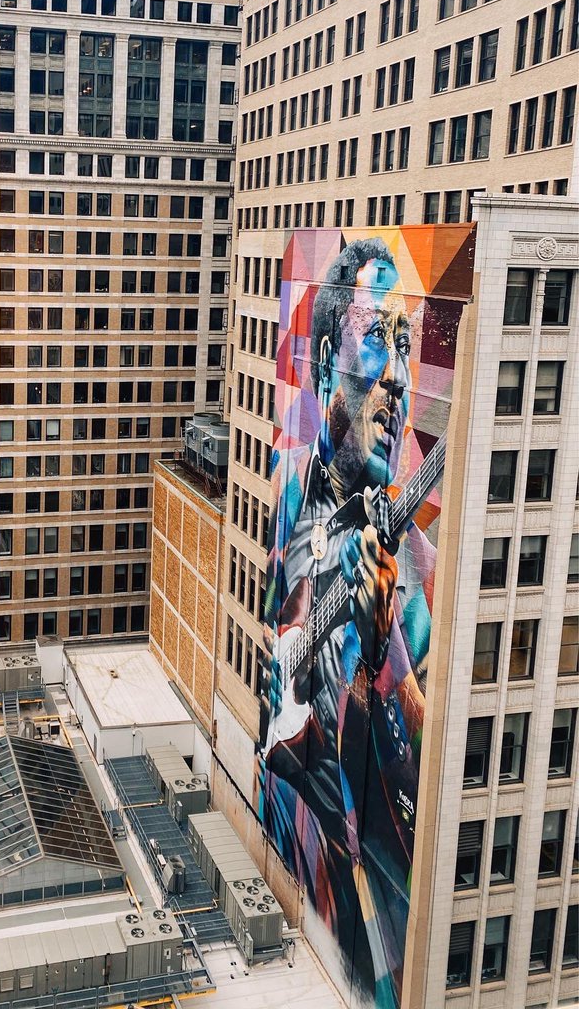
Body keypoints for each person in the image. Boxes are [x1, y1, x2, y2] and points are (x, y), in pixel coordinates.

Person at [257, 238, 437, 1009]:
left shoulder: (415, 567)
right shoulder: (288, 487)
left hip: (367, 940)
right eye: (378, 341)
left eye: (405, 349)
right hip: (290, 859)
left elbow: (422, 792)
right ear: (327, 355)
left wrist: (379, 657)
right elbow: (285, 637)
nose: (396, 377)